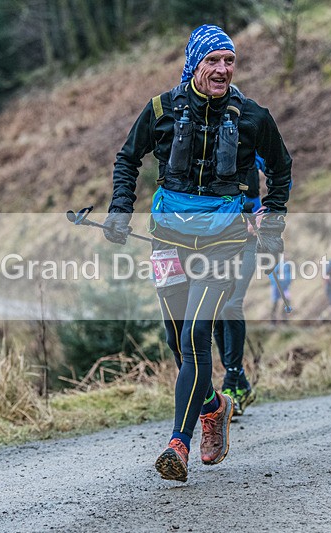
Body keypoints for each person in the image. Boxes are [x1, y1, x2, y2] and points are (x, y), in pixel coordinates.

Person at [102, 24, 292, 483]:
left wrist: (271, 220)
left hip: (223, 241)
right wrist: (119, 209)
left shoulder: (252, 117)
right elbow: (128, 158)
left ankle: (177, 444)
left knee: (194, 335)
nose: (223, 69)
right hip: (168, 237)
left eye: (230, 61)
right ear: (194, 64)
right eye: (214, 61)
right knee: (176, 340)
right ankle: (214, 407)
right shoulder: (161, 110)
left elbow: (281, 170)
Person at [212, 155, 265, 417]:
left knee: (232, 304)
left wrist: (266, 213)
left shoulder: (254, 130)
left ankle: (231, 384)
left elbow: (281, 172)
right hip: (218, 238)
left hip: (247, 239)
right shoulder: (210, 135)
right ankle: (242, 384)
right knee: (219, 310)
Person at [269, 253, 293, 325]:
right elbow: (271, 275)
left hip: (285, 288)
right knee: (275, 303)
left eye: (287, 256)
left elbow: (289, 276)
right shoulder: (277, 265)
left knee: (287, 301)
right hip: (277, 287)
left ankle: (284, 319)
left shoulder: (288, 265)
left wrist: (288, 280)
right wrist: (279, 279)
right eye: (285, 256)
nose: (286, 257)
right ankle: (273, 321)